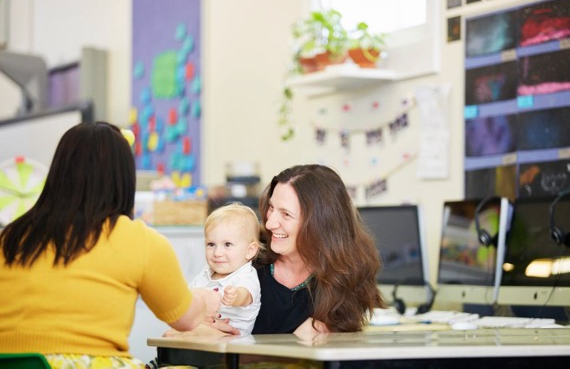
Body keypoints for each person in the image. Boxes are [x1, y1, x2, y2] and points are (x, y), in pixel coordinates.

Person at [0, 122, 221, 368]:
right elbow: (186, 320)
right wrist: (205, 300)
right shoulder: (138, 239)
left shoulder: (9, 237)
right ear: (123, 178)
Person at [199, 164, 384, 336]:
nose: (270, 223)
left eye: (286, 214)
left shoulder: (345, 279)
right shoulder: (244, 256)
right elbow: (183, 330)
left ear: (320, 223)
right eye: (271, 208)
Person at [189, 202, 262, 335]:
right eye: (211, 244)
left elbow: (246, 295)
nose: (217, 253)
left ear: (250, 250)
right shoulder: (205, 274)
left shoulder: (246, 275)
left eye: (227, 244)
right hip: (203, 333)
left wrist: (236, 296)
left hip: (233, 341)